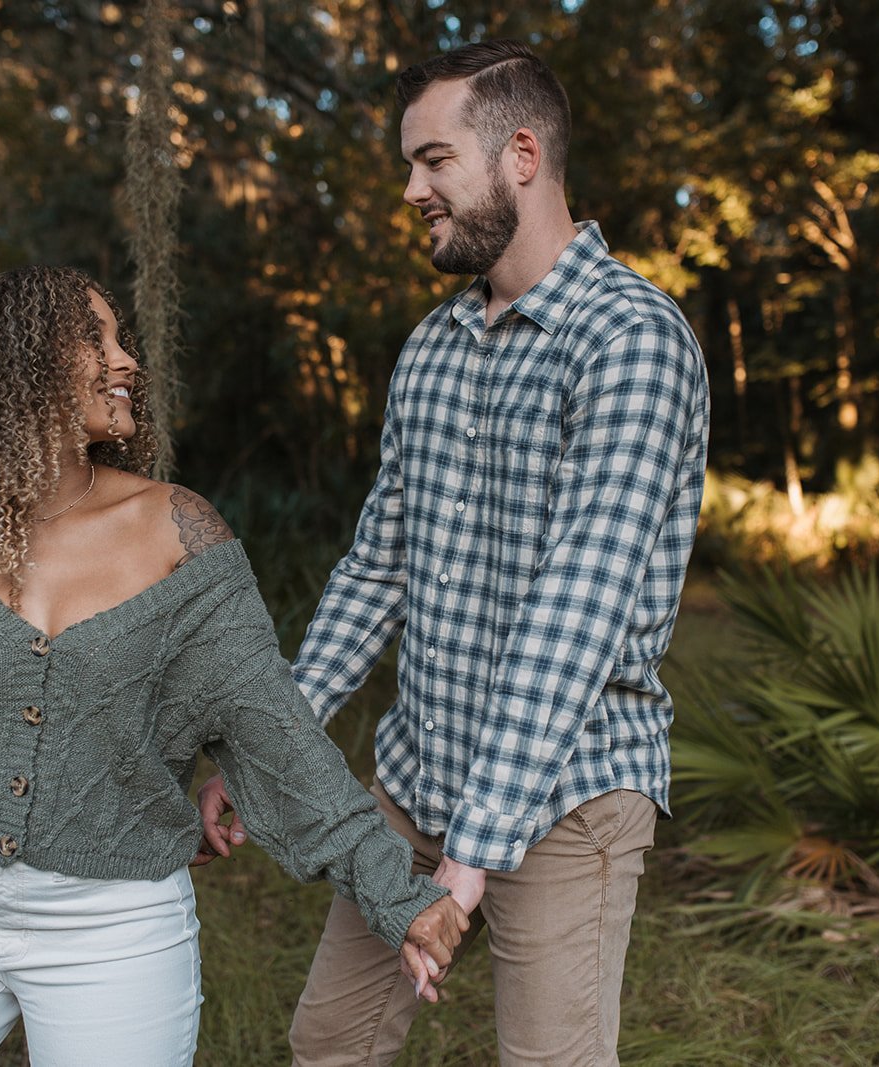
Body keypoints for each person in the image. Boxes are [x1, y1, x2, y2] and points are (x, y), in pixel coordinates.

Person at [0, 266, 468, 1067]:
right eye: (96, 339)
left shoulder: (173, 530)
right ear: (16, 364)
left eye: (123, 339)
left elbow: (275, 735)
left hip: (111, 930)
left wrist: (402, 898)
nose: (128, 362)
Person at [198, 39, 711, 1066]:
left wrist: (471, 859)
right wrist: (270, 750)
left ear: (520, 155)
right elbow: (376, 567)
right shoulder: (432, 349)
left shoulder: (631, 341)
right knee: (329, 1040)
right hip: (418, 777)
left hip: (567, 797)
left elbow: (577, 611)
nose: (410, 189)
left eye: (432, 160)